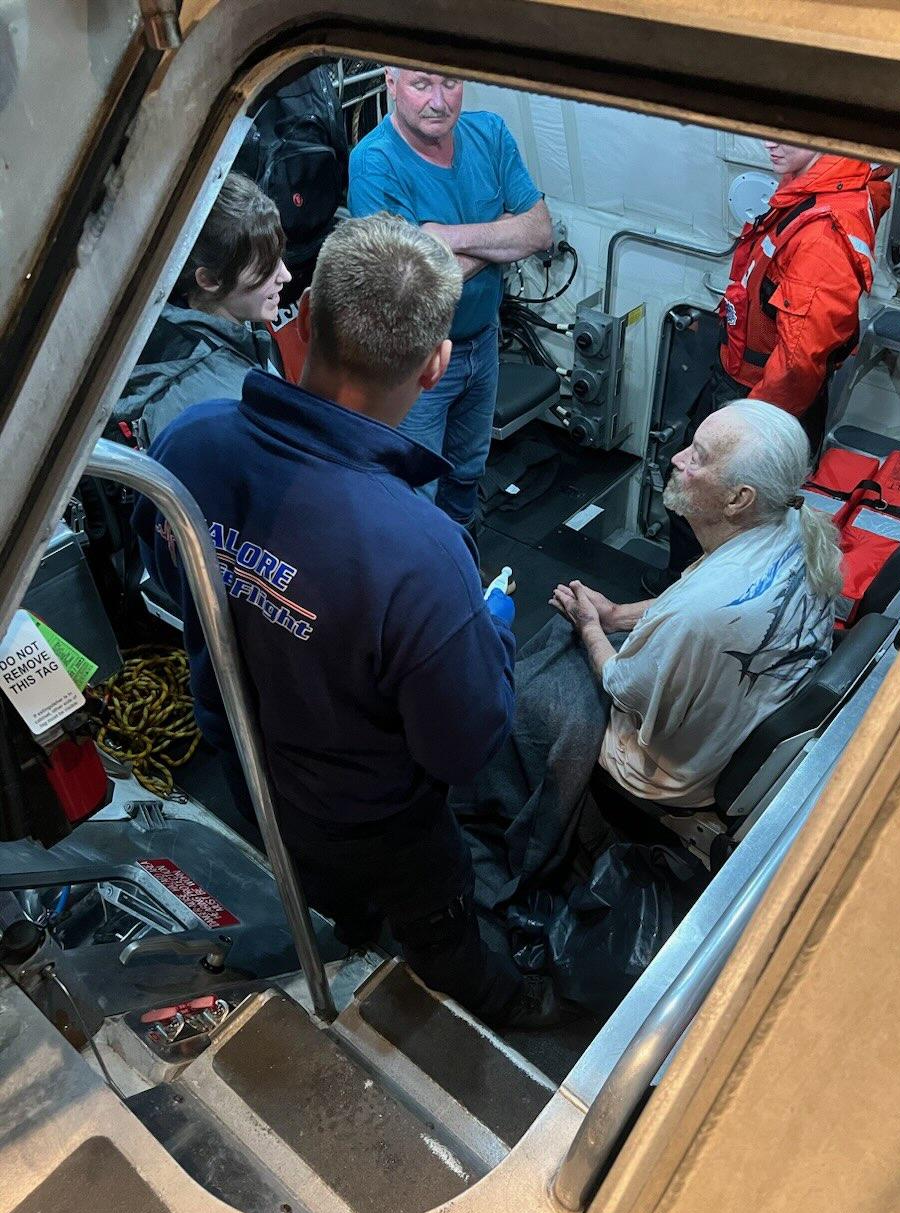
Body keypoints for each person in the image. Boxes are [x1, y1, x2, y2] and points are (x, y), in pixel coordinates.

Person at [133, 212, 566, 1029]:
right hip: (379, 821)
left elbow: (169, 580)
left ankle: (348, 942)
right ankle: (499, 1000)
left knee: (316, 894)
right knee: (441, 926)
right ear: (436, 364)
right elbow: (462, 747)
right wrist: (491, 629)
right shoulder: (423, 550)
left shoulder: (190, 442)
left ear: (307, 320)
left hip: (251, 772)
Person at [552, 399, 841, 810]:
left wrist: (590, 628)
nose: (676, 457)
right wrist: (616, 616)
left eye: (697, 457)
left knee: (539, 692)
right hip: (737, 718)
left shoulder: (703, 611)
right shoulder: (791, 522)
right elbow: (685, 608)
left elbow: (622, 685)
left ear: (739, 498)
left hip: (673, 776)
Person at [348, 67, 553, 529]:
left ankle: (461, 562)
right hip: (416, 362)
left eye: (451, 83)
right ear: (391, 83)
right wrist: (501, 233)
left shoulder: (490, 134)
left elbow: (539, 231)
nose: (439, 101)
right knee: (411, 490)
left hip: (483, 340)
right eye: (422, 85)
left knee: (467, 473)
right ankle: (416, 591)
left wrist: (444, 237)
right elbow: (412, 285)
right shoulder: (374, 163)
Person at [701, 142, 892, 450]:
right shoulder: (808, 187)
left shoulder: (824, 238)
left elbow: (797, 364)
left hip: (759, 401)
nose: (769, 142)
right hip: (741, 375)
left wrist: (747, 434)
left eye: (788, 131)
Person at [114, 174, 292, 445]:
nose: (286, 275)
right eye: (265, 269)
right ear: (209, 280)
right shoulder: (214, 403)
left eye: (279, 257)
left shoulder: (231, 323)